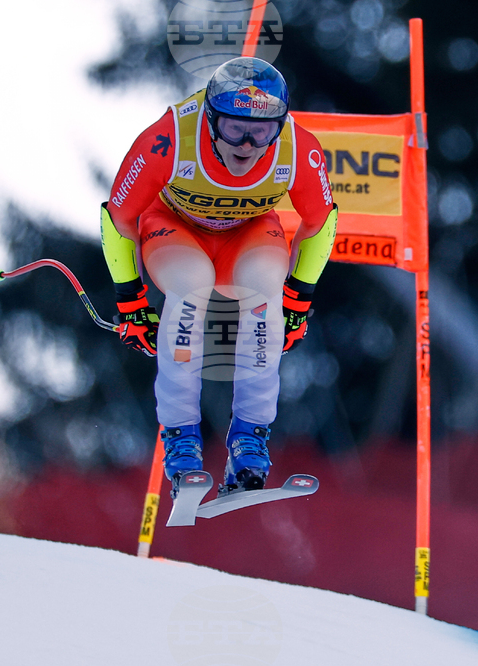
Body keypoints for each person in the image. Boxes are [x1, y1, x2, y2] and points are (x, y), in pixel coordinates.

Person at [100, 57, 336, 495]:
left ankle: (251, 438)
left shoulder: (299, 149)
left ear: (279, 127)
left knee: (265, 297)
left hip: (246, 233)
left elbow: (321, 222)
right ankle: (182, 439)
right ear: (210, 120)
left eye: (261, 131)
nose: (247, 145)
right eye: (234, 129)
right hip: (174, 229)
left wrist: (298, 301)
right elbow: (119, 217)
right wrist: (130, 300)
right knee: (191, 288)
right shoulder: (169, 138)